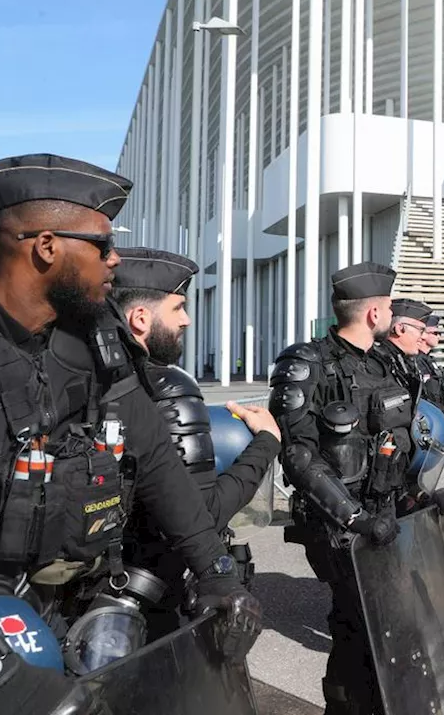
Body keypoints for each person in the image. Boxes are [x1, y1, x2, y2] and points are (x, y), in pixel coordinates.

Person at [0, 154, 256, 715]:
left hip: (75, 609)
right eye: (102, 246)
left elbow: (155, 455)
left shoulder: (94, 341)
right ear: (46, 247)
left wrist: (217, 572)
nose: (115, 261)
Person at [269, 263, 444, 714]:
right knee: (358, 629)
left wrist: (416, 495)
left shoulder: (387, 361)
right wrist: (355, 519)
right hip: (343, 526)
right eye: (390, 306)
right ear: (374, 313)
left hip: (387, 516)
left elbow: (401, 437)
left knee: (392, 627)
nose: (393, 312)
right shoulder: (307, 363)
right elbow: (297, 456)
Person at [110, 247, 281, 636]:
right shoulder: (168, 387)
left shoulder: (88, 380)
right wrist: (267, 442)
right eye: (178, 308)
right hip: (150, 601)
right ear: (140, 318)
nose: (186, 320)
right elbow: (202, 513)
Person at [414, 313, 444, 443]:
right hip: (428, 422)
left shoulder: (429, 361)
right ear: (424, 334)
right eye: (435, 332)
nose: (438, 336)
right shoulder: (415, 361)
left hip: (439, 418)